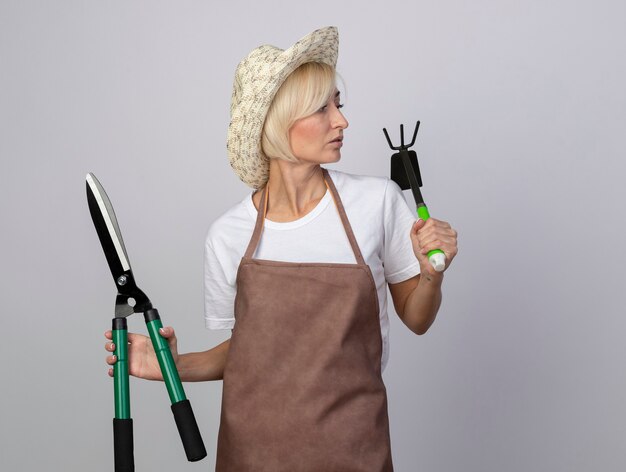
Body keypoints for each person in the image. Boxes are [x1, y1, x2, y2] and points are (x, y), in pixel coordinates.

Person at [104, 26, 458, 471]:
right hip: (253, 454)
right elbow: (250, 353)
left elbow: (418, 319)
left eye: (339, 104)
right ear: (277, 121)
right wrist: (172, 367)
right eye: (322, 108)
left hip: (352, 450)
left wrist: (431, 273)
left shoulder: (377, 202)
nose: (342, 121)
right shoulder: (229, 234)